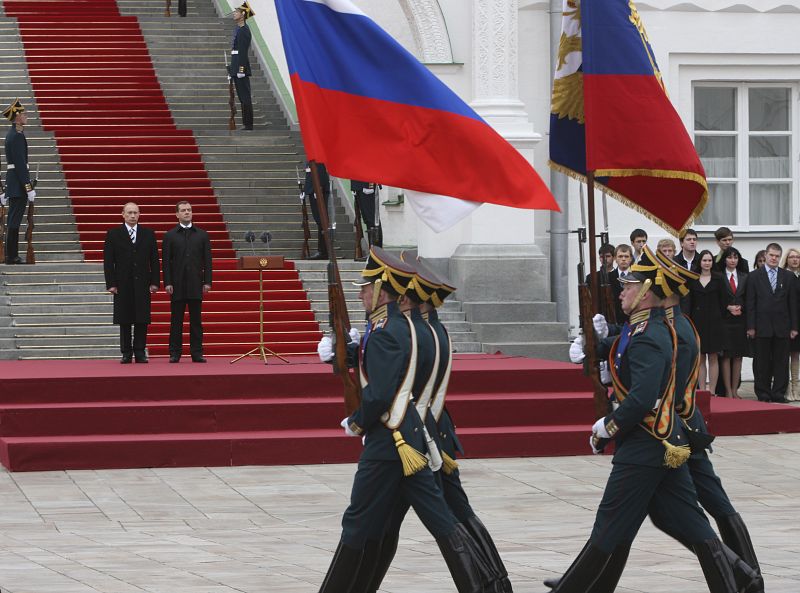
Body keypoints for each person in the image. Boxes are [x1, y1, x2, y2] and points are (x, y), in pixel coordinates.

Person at [544, 246, 738, 592]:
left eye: (629, 286)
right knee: (691, 527)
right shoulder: (641, 329)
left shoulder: (650, 334)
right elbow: (622, 356)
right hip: (661, 443)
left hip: (647, 441)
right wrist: (596, 344)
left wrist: (609, 426)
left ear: (647, 292)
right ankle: (744, 581)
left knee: (610, 524)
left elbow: (645, 396)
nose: (622, 292)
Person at [315, 247, 492, 593]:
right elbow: (387, 364)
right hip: (414, 438)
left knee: (361, 523)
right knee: (424, 522)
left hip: (391, 442)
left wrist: (356, 422)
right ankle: (490, 585)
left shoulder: (389, 330)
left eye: (366, 287)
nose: (361, 293)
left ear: (383, 291)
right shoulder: (408, 329)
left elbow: (381, 389)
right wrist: (346, 351)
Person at [103, 203, 160, 364]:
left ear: (139, 214)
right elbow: (108, 262)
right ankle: (126, 352)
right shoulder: (113, 234)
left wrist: (155, 282)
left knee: (142, 318)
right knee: (125, 318)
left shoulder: (148, 234)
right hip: (122, 283)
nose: (133, 215)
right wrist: (111, 283)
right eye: (129, 213)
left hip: (143, 282)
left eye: (135, 213)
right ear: (123, 214)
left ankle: (140, 351)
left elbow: (154, 260)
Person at [746, 243, 797, 403]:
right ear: (766, 256)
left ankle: (778, 393)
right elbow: (750, 303)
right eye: (771, 255)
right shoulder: (754, 276)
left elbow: (793, 304)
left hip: (783, 327)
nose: (774, 258)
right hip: (761, 326)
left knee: (781, 362)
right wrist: (751, 326)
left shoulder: (788, 277)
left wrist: (795, 327)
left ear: (780, 257)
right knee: (761, 362)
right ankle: (763, 393)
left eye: (777, 256)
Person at [162, 201, 212, 363]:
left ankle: (196, 352)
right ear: (177, 214)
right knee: (176, 320)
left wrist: (207, 282)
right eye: (183, 210)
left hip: (196, 284)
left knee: (196, 321)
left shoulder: (202, 235)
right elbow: (166, 262)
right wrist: (167, 282)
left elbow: (208, 261)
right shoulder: (169, 236)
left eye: (189, 210)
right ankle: (174, 352)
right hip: (176, 285)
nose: (186, 212)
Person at [2, 99, 35, 265]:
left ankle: (11, 255)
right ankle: (11, 256)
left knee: (13, 220)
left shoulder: (15, 134)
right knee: (14, 221)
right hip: (18, 184)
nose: (26, 116)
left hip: (15, 183)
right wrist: (28, 187)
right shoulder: (15, 136)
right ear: (17, 117)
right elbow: (20, 165)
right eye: (24, 114)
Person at [688, 250, 724, 393]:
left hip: (715, 323)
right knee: (701, 358)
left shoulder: (719, 278)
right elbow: (689, 302)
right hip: (698, 322)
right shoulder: (693, 278)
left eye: (709, 260)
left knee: (713, 357)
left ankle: (713, 391)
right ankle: (703, 390)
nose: (707, 263)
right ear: (700, 262)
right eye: (704, 260)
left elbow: (724, 300)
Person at [719, 247, 749, 399]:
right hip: (725, 321)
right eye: (730, 257)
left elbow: (748, 298)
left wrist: (741, 307)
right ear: (725, 259)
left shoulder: (744, 276)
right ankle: (728, 390)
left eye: (735, 257)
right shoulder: (719, 276)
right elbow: (717, 299)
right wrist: (727, 307)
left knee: (738, 356)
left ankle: (735, 390)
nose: (733, 260)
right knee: (726, 356)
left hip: (740, 320)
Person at [228, 2, 255, 130]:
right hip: (236, 67)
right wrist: (231, 69)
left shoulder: (244, 30)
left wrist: (241, 69)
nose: (234, 13)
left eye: (236, 12)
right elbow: (236, 52)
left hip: (241, 69)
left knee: (245, 97)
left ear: (243, 14)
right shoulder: (238, 29)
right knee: (241, 97)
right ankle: (246, 123)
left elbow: (243, 52)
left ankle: (248, 124)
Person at [782, 248, 800, 401]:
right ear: (786, 259)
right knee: (784, 355)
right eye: (792, 257)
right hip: (786, 320)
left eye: (797, 257)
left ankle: (796, 388)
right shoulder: (783, 276)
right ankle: (787, 388)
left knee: (795, 355)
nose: (795, 260)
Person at [304, 162, 330, 260]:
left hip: (317, 191)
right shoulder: (312, 157)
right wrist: (305, 190)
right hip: (313, 191)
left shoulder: (317, 157)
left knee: (321, 221)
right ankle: (323, 250)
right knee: (319, 221)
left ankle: (323, 251)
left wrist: (318, 189)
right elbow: (310, 175)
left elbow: (321, 172)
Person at [351, 180, 383, 250]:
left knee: (372, 220)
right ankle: (372, 250)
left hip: (367, 184)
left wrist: (369, 184)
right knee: (368, 220)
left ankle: (376, 251)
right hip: (359, 185)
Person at [610, 244, 633, 323]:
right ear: (615, 259)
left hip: (632, 320)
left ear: (631, 259)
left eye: (626, 256)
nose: (623, 259)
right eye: (620, 256)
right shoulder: (608, 277)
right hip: (614, 321)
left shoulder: (637, 278)